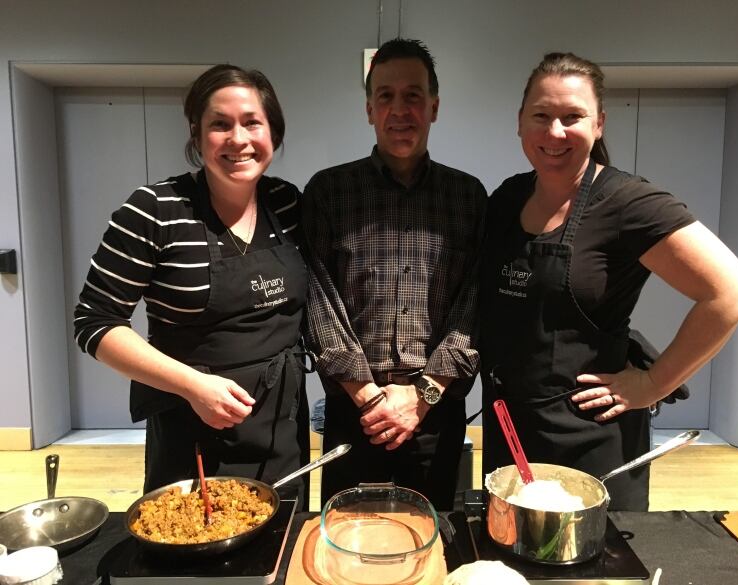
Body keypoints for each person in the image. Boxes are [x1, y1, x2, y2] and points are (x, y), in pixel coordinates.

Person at [479, 52, 738, 511]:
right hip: (511, 427)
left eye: (573, 117)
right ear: (520, 122)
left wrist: (653, 383)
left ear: (600, 123)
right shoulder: (507, 198)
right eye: (541, 116)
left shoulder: (629, 203)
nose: (555, 132)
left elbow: (731, 293)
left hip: (590, 435)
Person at [73, 64, 310, 505]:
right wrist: (192, 386)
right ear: (197, 135)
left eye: (251, 122)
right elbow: (94, 322)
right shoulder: (154, 210)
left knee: (281, 552)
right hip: (193, 433)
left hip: (282, 428)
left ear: (273, 133)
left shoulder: (288, 203)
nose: (238, 139)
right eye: (220, 124)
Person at [302, 38, 487, 511]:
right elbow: (318, 301)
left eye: (413, 95)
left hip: (436, 413)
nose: (400, 109)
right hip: (352, 410)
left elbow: (475, 304)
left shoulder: (468, 197)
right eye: (386, 96)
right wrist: (369, 398)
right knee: (345, 539)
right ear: (369, 108)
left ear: (434, 106)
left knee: (427, 539)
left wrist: (423, 397)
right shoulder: (329, 192)